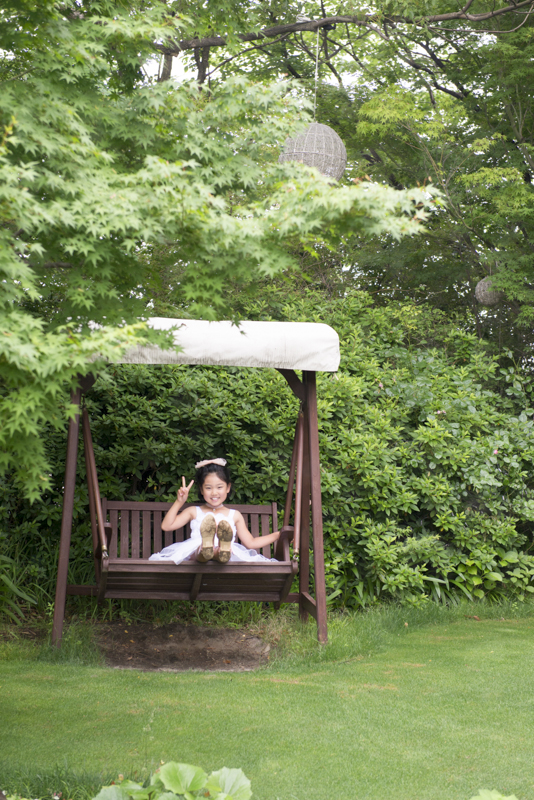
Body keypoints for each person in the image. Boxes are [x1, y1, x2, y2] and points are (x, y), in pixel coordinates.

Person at [149, 458, 280, 565]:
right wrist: (179, 502)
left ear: (228, 488)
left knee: (222, 551)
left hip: (228, 551)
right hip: (197, 550)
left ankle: (221, 550)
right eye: (208, 488)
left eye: (219, 487)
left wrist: (279, 534)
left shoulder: (234, 515)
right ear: (201, 490)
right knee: (200, 550)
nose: (214, 493)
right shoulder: (194, 511)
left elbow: (251, 542)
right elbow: (166, 526)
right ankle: (207, 548)